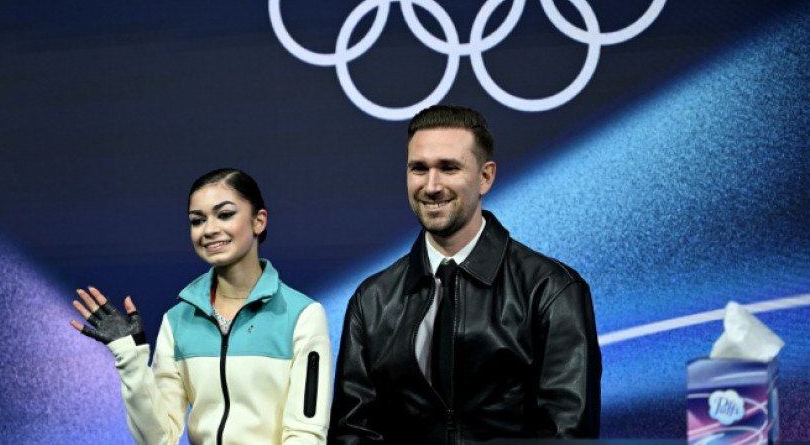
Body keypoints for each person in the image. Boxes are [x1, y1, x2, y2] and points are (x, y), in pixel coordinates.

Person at [328, 105, 601, 444]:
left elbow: (568, 433)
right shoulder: (372, 300)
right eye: (418, 169)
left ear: (485, 176)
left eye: (448, 168)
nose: (431, 185)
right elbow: (352, 434)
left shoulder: (551, 290)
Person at [71, 168, 332, 445]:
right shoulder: (177, 320)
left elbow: (306, 435)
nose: (209, 230)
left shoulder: (302, 316)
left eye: (225, 214)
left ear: (259, 221)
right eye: (197, 220)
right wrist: (131, 361)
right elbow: (159, 439)